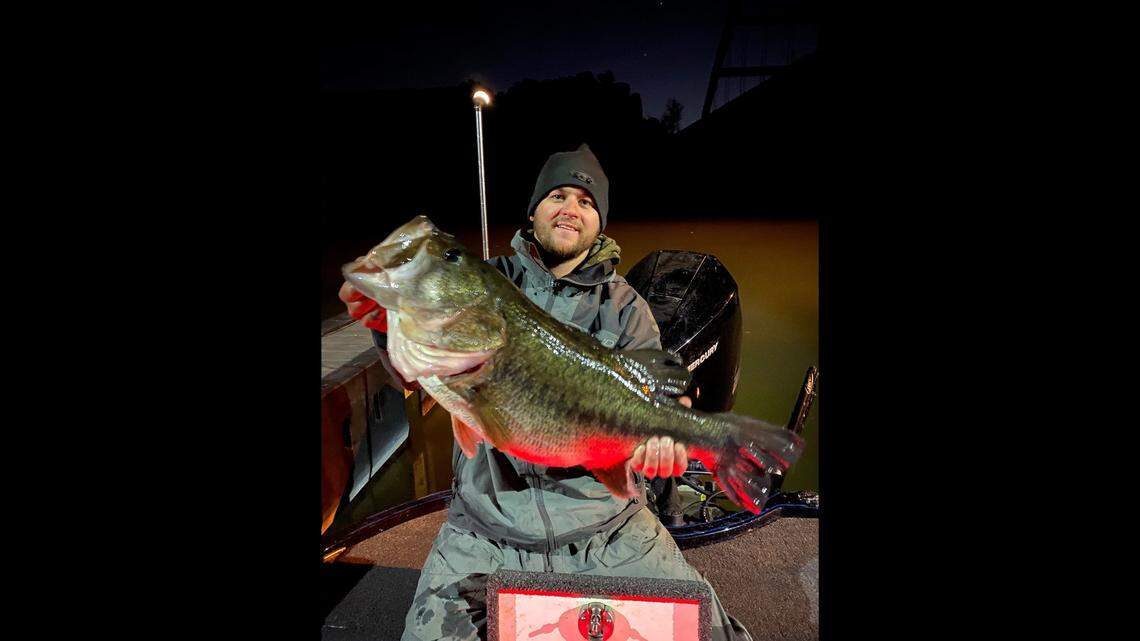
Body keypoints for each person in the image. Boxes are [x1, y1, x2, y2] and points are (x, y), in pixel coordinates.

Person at [339, 144, 753, 641]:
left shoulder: (627, 309)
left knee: (712, 632)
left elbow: (650, 404)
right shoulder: (491, 280)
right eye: (557, 194)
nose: (570, 209)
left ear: (599, 222)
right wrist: (388, 326)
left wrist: (658, 443)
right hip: (485, 529)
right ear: (533, 210)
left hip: (608, 528)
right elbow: (418, 371)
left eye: (586, 201)